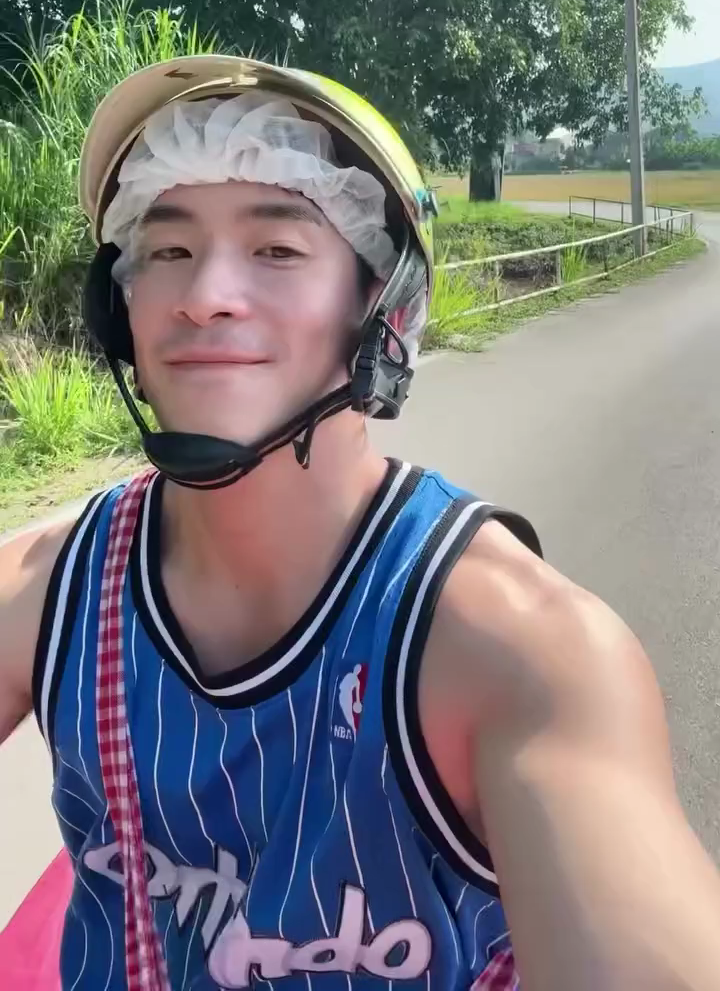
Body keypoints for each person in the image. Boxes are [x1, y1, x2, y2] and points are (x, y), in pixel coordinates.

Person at [1, 56, 719, 991]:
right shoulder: (50, 592)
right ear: (116, 307)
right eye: (168, 251)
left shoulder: (522, 653)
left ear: (385, 311)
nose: (205, 295)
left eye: (277, 249)